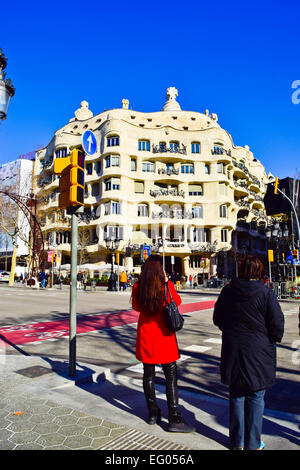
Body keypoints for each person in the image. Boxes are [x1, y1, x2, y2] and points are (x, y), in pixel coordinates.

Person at [213, 255, 284, 450]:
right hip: (259, 352)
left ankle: (237, 442)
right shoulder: (266, 294)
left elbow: (217, 318)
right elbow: (277, 325)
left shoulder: (228, 290)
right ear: (260, 272)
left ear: (242, 270)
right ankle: (253, 443)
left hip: (233, 348)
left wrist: (231, 331)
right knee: (256, 395)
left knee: (236, 394)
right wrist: (272, 338)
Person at [131, 255, 194, 433]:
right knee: (171, 377)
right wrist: (166, 282)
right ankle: (174, 416)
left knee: (148, 375)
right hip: (164, 335)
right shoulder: (165, 286)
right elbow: (177, 302)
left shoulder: (138, 286)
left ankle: (152, 413)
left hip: (146, 334)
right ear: (160, 269)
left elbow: (136, 306)